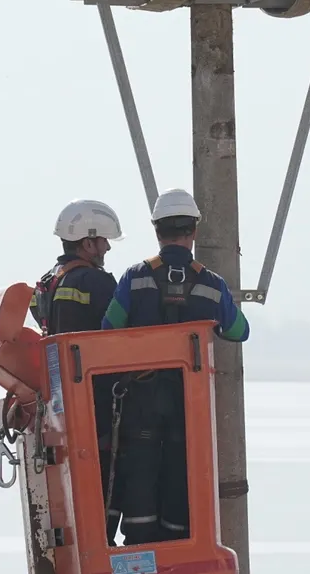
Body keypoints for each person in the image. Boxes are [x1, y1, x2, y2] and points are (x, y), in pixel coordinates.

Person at [100, 188, 250, 545]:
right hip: (190, 406)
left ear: (157, 230)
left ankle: (139, 545)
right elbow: (239, 331)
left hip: (139, 401)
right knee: (182, 473)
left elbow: (107, 330)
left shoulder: (135, 277)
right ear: (193, 230)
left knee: (140, 470)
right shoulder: (212, 285)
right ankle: (178, 544)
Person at [27, 198, 126, 546]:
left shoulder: (48, 283)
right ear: (87, 242)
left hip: (63, 400)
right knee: (109, 473)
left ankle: (87, 539)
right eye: (103, 241)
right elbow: (123, 331)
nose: (108, 247)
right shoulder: (95, 282)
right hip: (97, 398)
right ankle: (102, 541)